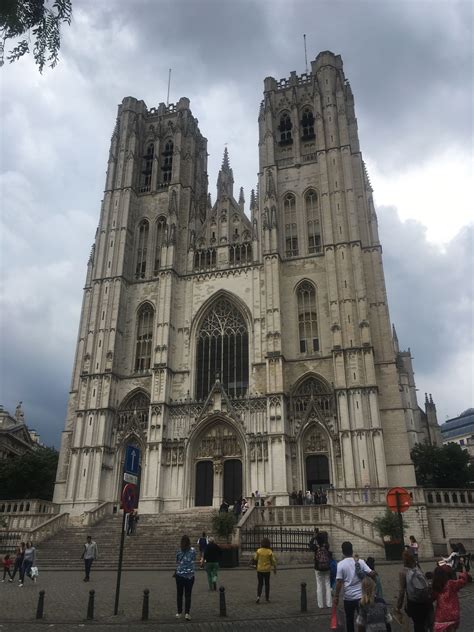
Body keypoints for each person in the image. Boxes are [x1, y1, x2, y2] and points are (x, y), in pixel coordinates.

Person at [333, 541, 375, 632]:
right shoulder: (361, 562)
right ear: (352, 550)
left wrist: (336, 596)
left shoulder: (340, 564)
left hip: (348, 597)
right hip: (361, 596)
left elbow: (339, 582)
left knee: (349, 619)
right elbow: (371, 573)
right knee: (363, 619)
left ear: (343, 551)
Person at [395, 550, 431, 632]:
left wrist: (398, 606)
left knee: (417, 625)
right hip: (425, 600)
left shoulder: (403, 572)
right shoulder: (418, 569)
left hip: (413, 602)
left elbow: (401, 591)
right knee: (423, 624)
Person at [432, 563, 470, 631]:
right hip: (452, 616)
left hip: (441, 617)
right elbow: (463, 581)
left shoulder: (436, 587)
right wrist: (463, 572)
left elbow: (431, 598)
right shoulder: (451, 584)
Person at [175, 535, 196, 621]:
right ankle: (187, 613)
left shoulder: (179, 551)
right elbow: (193, 558)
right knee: (188, 595)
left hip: (179, 575)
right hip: (190, 575)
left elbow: (177, 560)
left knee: (179, 594)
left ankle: (179, 613)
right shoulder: (193, 550)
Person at [254, 537, 277, 603]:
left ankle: (258, 596)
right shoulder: (269, 551)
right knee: (267, 584)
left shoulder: (259, 550)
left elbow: (255, 558)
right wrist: (274, 568)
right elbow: (273, 561)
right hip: (267, 570)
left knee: (260, 584)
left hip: (260, 569)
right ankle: (267, 598)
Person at [313, 531, 332, 608]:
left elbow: (309, 544)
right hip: (327, 568)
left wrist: (314, 537)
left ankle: (320, 605)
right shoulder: (327, 546)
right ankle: (329, 603)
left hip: (318, 568)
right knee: (327, 584)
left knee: (319, 585)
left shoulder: (315, 548)